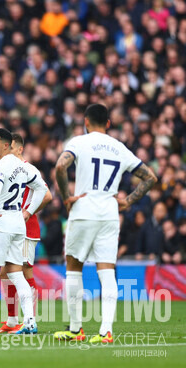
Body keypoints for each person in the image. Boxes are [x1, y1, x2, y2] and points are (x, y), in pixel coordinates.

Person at [54, 103, 157, 344]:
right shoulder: (119, 147)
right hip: (110, 214)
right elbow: (150, 177)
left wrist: (66, 196)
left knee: (73, 267)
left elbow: (60, 166)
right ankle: (106, 332)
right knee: (107, 270)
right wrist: (128, 201)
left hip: (83, 211)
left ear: (86, 122)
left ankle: (76, 329)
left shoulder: (79, 142)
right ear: (108, 124)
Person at [0, 128, 48, 335]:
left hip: (1, 221)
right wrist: (29, 211)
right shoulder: (24, 167)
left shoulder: (0, 165)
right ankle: (30, 321)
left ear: (6, 145)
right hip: (18, 223)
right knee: (16, 274)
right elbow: (42, 189)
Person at [0, 133, 52, 333]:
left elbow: (47, 196)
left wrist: (28, 212)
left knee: (24, 272)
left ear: (19, 149)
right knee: (5, 272)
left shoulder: (28, 169)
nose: (7, 153)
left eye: (10, 148)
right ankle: (12, 320)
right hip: (10, 228)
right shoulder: (8, 169)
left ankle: (31, 320)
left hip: (27, 230)